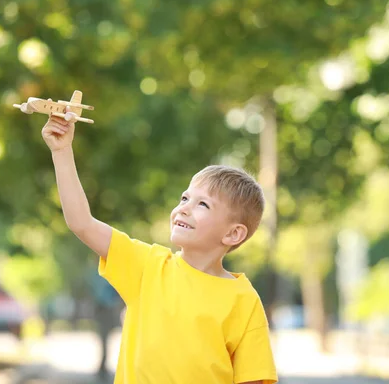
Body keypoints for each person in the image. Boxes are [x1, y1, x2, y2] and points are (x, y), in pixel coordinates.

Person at [42, 109, 277, 384]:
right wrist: (61, 151)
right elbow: (81, 222)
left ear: (233, 234)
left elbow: (252, 379)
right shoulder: (148, 266)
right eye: (185, 197)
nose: (184, 209)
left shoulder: (243, 300)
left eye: (202, 204)